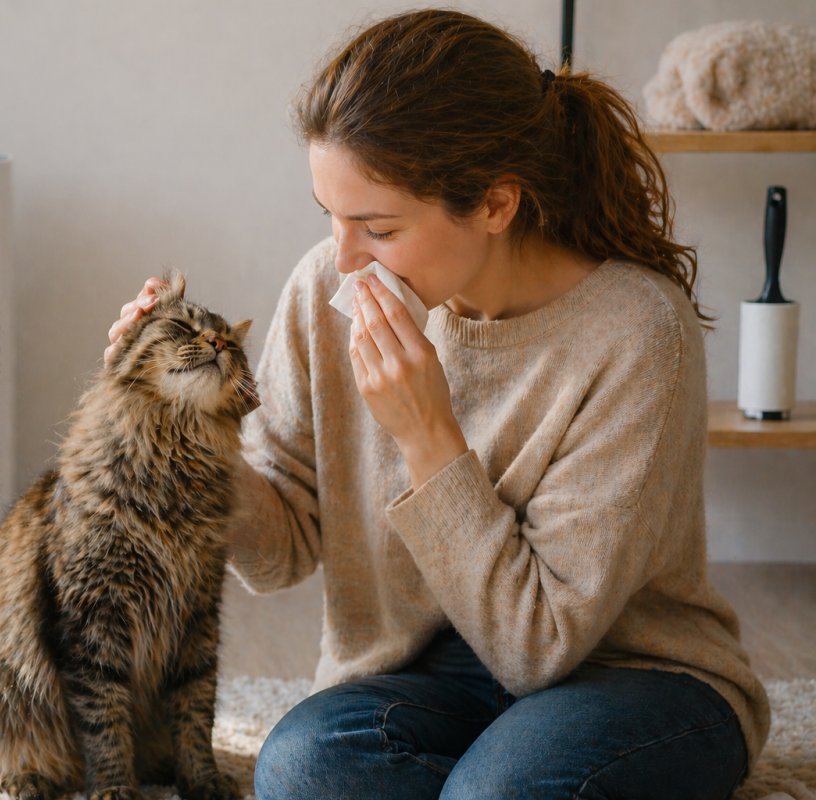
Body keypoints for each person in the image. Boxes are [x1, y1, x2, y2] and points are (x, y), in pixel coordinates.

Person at [106, 9, 769, 799]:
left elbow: (538, 647)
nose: (342, 259)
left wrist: (426, 434)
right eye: (330, 216)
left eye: (377, 227)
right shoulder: (326, 286)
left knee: (496, 793)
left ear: (495, 204)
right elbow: (280, 551)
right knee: (301, 765)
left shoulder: (636, 333)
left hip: (631, 671)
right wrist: (180, 424)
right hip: (429, 676)